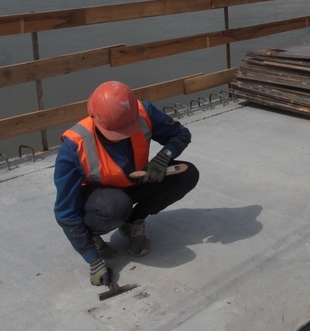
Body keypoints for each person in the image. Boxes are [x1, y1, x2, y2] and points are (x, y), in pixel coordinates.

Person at [53, 81, 200, 288]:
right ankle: (93, 236)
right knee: (115, 206)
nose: (121, 137)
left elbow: (180, 134)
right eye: (115, 133)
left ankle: (132, 222)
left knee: (187, 175)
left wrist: (164, 157)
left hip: (134, 181)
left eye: (126, 130)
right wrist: (92, 259)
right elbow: (65, 212)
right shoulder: (74, 146)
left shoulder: (143, 113)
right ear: (94, 117)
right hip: (99, 199)